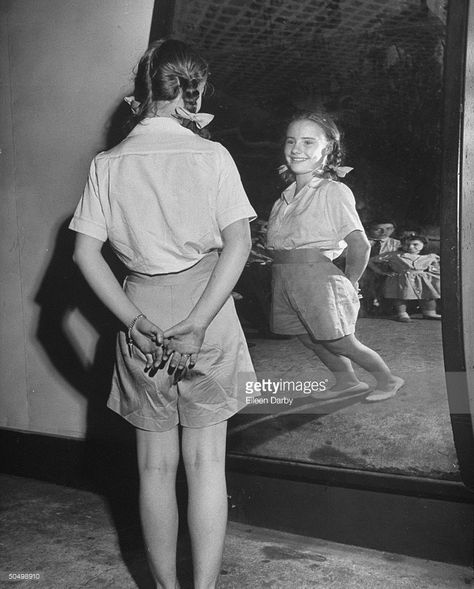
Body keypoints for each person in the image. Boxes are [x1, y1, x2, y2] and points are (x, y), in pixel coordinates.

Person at [69, 39, 256, 589]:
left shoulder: (109, 163)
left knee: (153, 469)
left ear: (142, 91)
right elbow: (240, 244)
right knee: (206, 468)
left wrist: (134, 322)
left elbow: (85, 253)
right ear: (192, 91)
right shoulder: (212, 155)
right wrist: (198, 320)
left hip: (142, 313)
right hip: (208, 312)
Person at [266, 111, 404, 403]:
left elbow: (360, 245)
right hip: (284, 277)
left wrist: (350, 282)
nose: (296, 149)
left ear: (326, 150)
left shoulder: (333, 191)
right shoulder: (284, 198)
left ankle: (388, 379)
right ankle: (347, 381)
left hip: (317, 277)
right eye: (291, 141)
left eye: (307, 142)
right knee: (305, 336)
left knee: (340, 340)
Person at [368, 235, 441, 322]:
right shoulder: (395, 255)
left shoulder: (430, 256)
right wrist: (381, 272)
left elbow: (436, 269)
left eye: (415, 244)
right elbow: (371, 261)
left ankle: (429, 312)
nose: (410, 247)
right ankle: (402, 314)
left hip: (422, 280)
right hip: (402, 279)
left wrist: (433, 273)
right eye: (406, 244)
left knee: (428, 296)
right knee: (401, 297)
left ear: (423, 244)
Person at [359, 219, 401, 315]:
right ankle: (365, 308)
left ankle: (385, 308)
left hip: (387, 272)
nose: (384, 232)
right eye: (378, 229)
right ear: (368, 229)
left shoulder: (397, 244)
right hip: (363, 271)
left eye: (389, 229)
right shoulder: (361, 241)